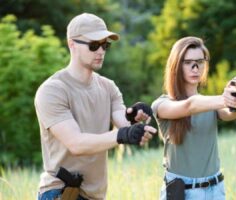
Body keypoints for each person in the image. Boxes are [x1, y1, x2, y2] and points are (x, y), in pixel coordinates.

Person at [34, 13, 157, 200]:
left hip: (95, 195)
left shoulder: (108, 87)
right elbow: (76, 143)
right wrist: (122, 135)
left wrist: (133, 120)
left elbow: (121, 121)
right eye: (93, 45)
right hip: (60, 193)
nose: (100, 51)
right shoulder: (52, 90)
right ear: (72, 44)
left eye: (105, 45)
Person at [151, 36, 236, 200]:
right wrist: (224, 98)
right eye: (188, 62)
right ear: (176, 66)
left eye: (200, 62)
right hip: (183, 192)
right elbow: (190, 106)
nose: (195, 68)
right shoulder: (162, 104)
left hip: (215, 189)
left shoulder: (209, 104)